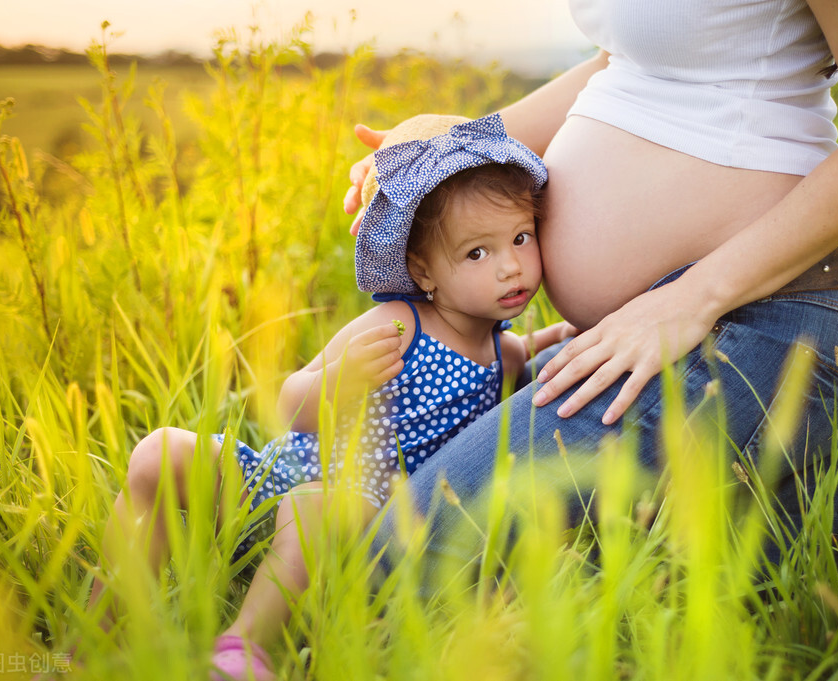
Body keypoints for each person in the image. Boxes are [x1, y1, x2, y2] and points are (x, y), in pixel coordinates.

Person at [343, 1, 838, 577]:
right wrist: (449, 152)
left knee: (395, 560)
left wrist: (692, 298)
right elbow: (626, 63)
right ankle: (836, 490)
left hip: (767, 315)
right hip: (657, 319)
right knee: (429, 444)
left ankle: (812, 475)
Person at [82, 113, 574, 681]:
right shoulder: (399, 325)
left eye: (520, 238)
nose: (511, 266)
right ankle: (95, 637)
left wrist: (560, 334)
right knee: (159, 452)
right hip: (279, 482)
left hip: (359, 517)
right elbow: (289, 405)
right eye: (477, 253)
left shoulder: (502, 354)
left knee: (314, 506)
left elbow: (522, 351)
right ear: (423, 272)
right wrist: (339, 381)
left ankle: (242, 647)